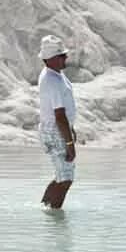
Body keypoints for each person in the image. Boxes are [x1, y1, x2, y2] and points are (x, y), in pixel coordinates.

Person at [37, 35, 77, 209]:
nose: (65, 58)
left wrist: (71, 129)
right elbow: (59, 115)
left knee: (63, 176)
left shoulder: (55, 74)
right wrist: (69, 143)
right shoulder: (51, 80)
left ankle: (45, 208)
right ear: (51, 59)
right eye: (62, 56)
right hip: (55, 131)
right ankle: (53, 215)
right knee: (65, 179)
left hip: (58, 129)